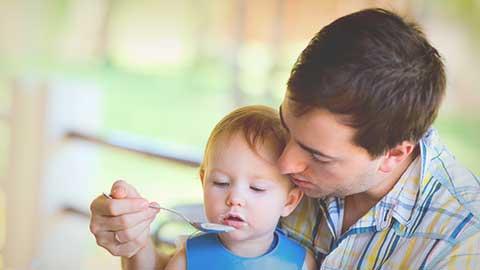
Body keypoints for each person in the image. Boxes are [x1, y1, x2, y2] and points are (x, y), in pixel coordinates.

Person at [90, 8, 480, 269]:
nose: (286, 164)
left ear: (393, 154)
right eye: (287, 127)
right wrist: (133, 240)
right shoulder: (275, 166)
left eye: (315, 154)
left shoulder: (461, 241)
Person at [164, 105, 316, 270]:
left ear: (289, 202)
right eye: (221, 183)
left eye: (257, 188)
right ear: (203, 183)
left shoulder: (300, 263)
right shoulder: (185, 261)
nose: (235, 198)